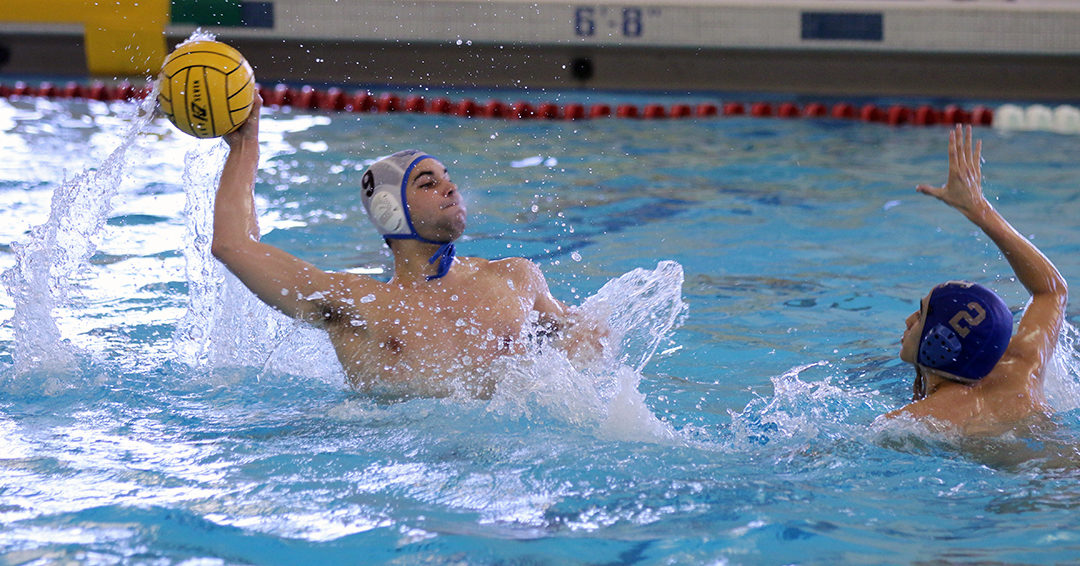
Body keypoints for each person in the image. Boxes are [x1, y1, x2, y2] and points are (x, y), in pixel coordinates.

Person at [211, 96, 602, 398]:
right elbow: (232, 245)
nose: (450, 187)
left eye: (448, 178)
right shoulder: (358, 306)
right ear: (390, 210)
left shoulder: (514, 277)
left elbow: (588, 331)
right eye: (428, 183)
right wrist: (245, 147)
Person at [886, 125, 1068, 434]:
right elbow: (1051, 291)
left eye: (921, 315)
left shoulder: (920, 420)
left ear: (939, 343)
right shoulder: (1021, 369)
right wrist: (979, 210)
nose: (908, 319)